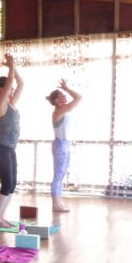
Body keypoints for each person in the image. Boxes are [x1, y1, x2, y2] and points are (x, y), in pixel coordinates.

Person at [0, 53, 24, 228]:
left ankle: (1, 217)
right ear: (1, 90)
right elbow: (11, 83)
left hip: (10, 149)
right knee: (7, 183)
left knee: (12, 185)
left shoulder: (11, 103)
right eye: (8, 88)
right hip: (1, 148)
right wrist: (11, 67)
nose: (11, 89)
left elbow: (21, 84)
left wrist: (13, 68)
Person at [46, 79, 82, 212]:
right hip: (60, 144)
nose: (65, 97)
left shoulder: (64, 110)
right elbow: (79, 98)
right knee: (58, 175)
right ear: (56, 100)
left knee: (61, 175)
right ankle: (55, 204)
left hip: (65, 144)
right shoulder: (59, 111)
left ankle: (58, 203)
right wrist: (66, 88)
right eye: (62, 95)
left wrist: (66, 89)